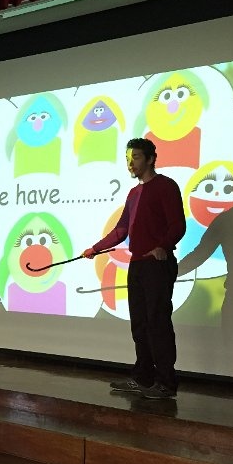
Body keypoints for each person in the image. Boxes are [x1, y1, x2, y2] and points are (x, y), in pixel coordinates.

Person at [82, 138, 185, 399]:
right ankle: (143, 378)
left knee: (157, 322)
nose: (130, 163)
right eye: (128, 158)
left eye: (136, 157)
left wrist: (162, 246)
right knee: (139, 324)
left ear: (151, 159)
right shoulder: (133, 193)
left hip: (157, 265)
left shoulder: (165, 186)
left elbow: (178, 225)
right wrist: (95, 248)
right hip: (137, 265)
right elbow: (121, 230)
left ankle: (166, 383)